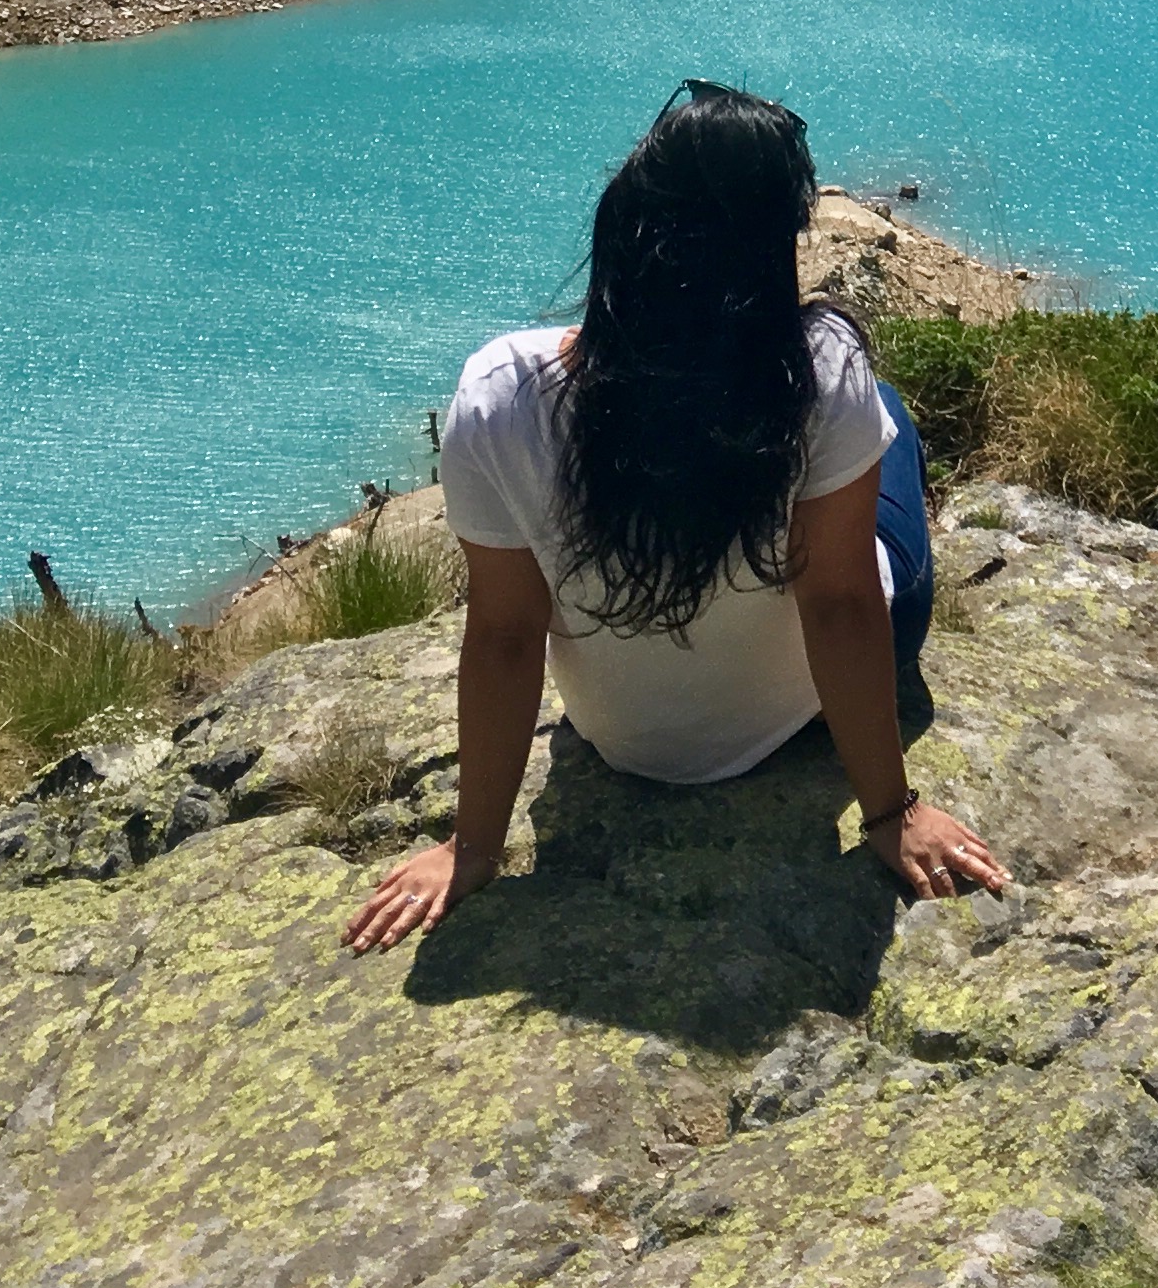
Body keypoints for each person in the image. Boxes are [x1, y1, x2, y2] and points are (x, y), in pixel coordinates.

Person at [342, 85, 1004, 951]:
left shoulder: (498, 391)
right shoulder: (820, 363)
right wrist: (890, 810)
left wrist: (473, 846)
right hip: (810, 698)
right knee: (885, 411)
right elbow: (840, 603)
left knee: (861, 409)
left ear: (624, 220)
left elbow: (506, 633)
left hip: (626, 740)